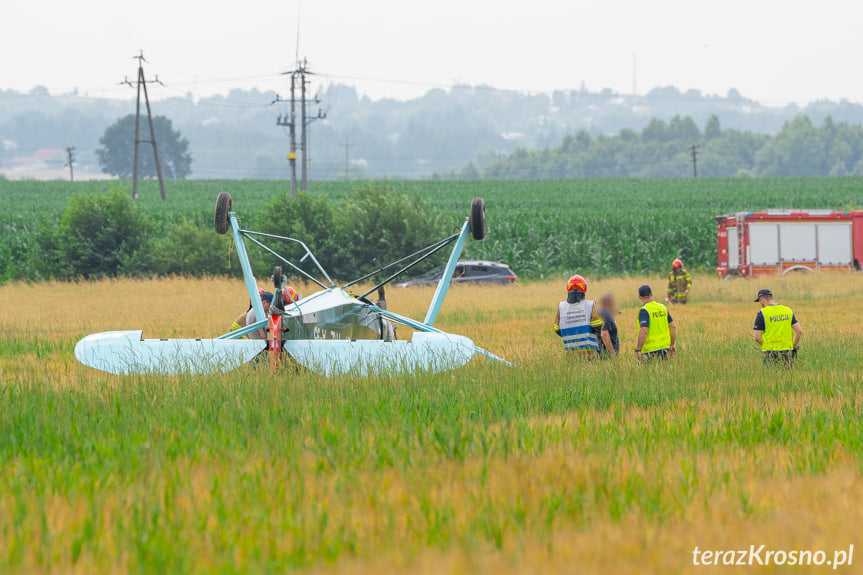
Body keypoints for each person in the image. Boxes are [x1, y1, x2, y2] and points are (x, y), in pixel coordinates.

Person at [554, 274, 604, 355]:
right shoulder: (590, 305)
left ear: (568, 288)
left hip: (571, 355)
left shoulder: (561, 307)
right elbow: (598, 327)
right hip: (590, 354)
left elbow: (557, 329)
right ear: (585, 288)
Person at [752, 289, 803, 367]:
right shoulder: (787, 310)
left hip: (770, 353)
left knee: (771, 378)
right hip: (787, 352)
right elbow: (799, 332)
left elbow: (757, 337)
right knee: (788, 377)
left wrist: (766, 345)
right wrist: (792, 346)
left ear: (762, 300)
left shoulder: (762, 313)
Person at [635, 284, 677, 361]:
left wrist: (638, 349)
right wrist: (672, 344)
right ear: (651, 294)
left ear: (639, 297)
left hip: (650, 351)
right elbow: (673, 327)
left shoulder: (644, 310)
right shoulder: (662, 307)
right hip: (665, 349)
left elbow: (644, 331)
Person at [596, 292, 620, 358]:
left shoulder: (599, 312)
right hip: (606, 354)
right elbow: (604, 334)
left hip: (600, 351)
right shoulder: (605, 314)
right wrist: (612, 353)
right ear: (608, 303)